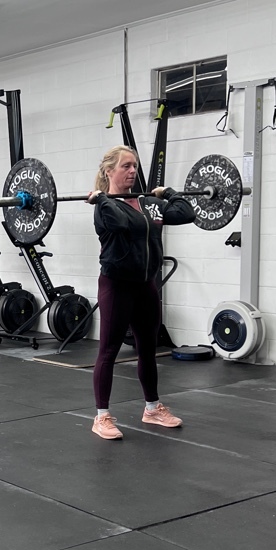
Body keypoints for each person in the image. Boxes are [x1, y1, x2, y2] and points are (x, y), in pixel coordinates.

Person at [86, 145, 196, 440]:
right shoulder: (105, 208)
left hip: (146, 285)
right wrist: (104, 199)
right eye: (126, 166)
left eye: (135, 166)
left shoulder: (148, 204)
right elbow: (119, 223)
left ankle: (152, 408)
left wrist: (168, 193)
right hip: (116, 285)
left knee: (148, 349)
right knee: (108, 351)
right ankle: (102, 417)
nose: (133, 171)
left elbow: (186, 213)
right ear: (110, 171)